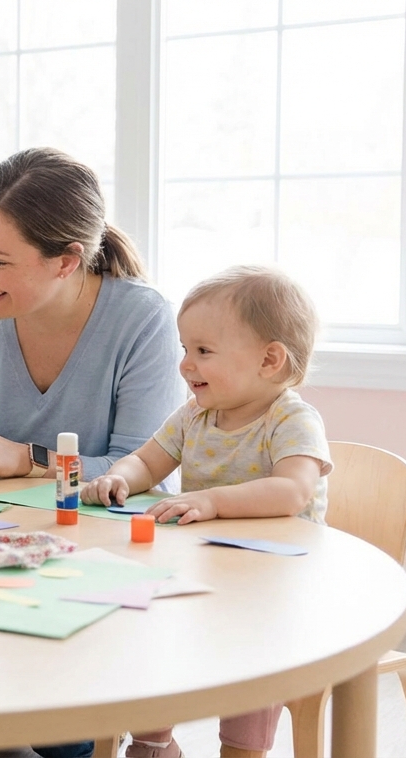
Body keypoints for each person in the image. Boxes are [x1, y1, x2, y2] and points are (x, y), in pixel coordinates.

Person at [0, 148, 186, 758]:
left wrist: (26, 457)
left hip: (98, 555)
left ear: (66, 261)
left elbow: (142, 468)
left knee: (54, 731)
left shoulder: (142, 319)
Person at [81, 265, 333, 758]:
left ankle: (242, 749)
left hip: (275, 588)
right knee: (149, 622)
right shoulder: (195, 415)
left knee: (254, 656)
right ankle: (153, 741)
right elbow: (147, 460)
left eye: (203, 351)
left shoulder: (292, 418)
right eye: (184, 349)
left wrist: (212, 500)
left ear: (270, 360)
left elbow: (293, 490)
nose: (185, 365)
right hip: (208, 573)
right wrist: (121, 477)